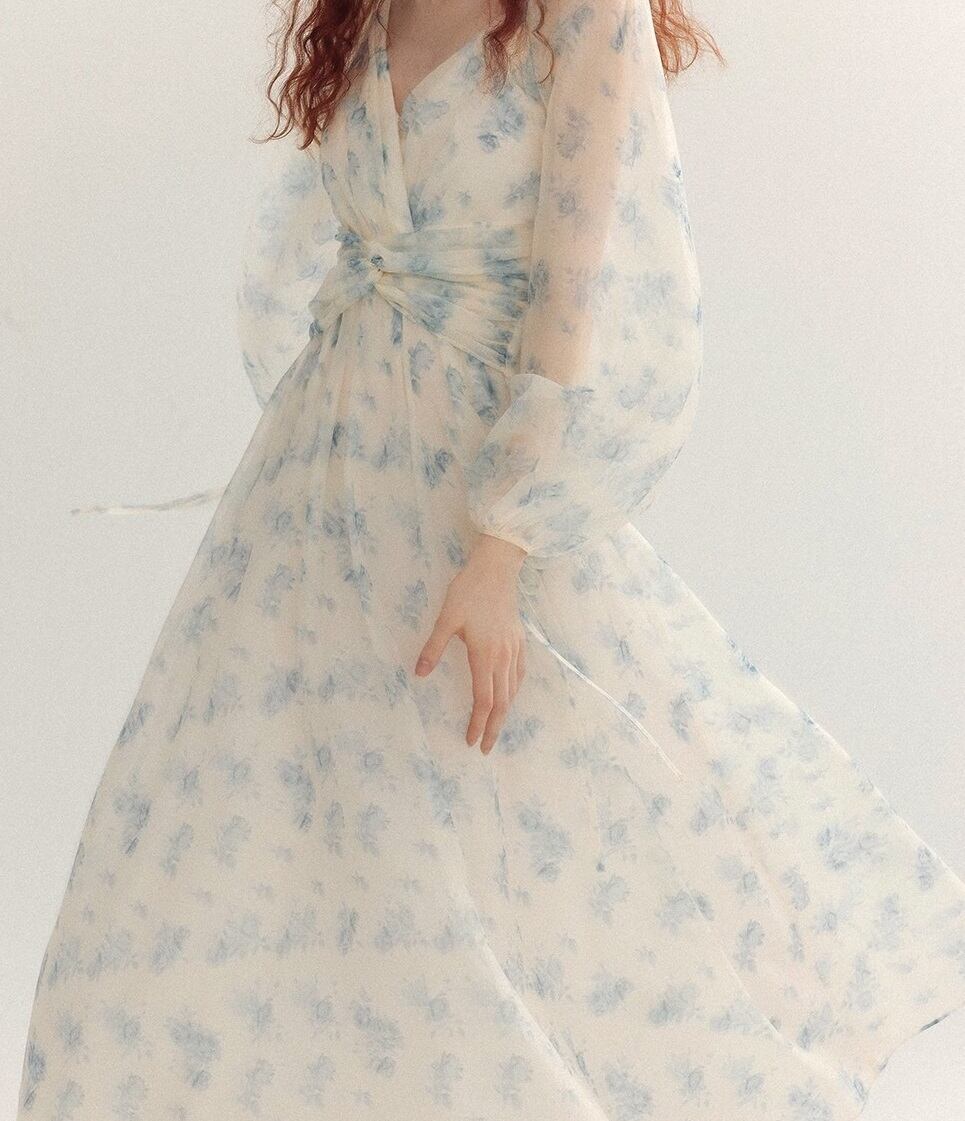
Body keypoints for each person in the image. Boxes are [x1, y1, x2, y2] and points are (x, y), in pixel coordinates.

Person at [16, 0, 965, 1117]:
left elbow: (574, 298)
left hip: (469, 500)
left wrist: (502, 545)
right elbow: (333, 263)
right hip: (310, 496)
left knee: (529, 855)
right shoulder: (365, 11)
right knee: (267, 841)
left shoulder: (584, 16)